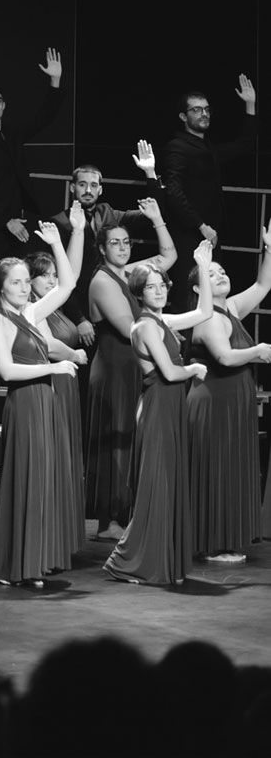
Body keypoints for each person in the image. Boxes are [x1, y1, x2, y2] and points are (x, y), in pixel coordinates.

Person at [103, 242, 215, 586]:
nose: (159, 291)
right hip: (157, 407)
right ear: (139, 293)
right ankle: (126, 563)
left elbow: (205, 313)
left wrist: (202, 264)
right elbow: (169, 372)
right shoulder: (146, 327)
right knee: (156, 485)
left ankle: (159, 560)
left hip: (169, 407)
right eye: (150, 286)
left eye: (162, 284)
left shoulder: (161, 320)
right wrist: (194, 368)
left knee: (167, 483)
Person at [0, 222, 80, 587]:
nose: (24, 288)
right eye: (17, 282)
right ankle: (14, 564)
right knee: (27, 480)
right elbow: (6, 370)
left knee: (44, 481)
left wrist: (56, 244)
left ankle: (33, 560)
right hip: (24, 405)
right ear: (1, 287)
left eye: (27, 281)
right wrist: (53, 366)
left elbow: (67, 286)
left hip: (45, 403)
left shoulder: (30, 314)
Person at [0, 48, 66, 386]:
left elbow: (44, 118)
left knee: (20, 295)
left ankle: (16, 358)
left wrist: (55, 81)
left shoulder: (11, 133)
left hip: (18, 225)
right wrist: (5, 219)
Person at [86, 210, 177, 540]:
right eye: (115, 243)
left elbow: (169, 256)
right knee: (117, 437)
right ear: (102, 248)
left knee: (132, 438)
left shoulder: (133, 274)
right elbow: (130, 327)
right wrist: (166, 329)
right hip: (114, 366)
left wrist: (157, 218)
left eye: (126, 242)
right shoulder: (102, 281)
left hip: (135, 364)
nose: (122, 248)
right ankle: (109, 520)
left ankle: (127, 513)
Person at [184, 221, 271, 562]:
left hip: (232, 401)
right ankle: (211, 542)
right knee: (215, 468)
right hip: (213, 402)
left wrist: (269, 248)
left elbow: (264, 284)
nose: (220, 275)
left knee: (228, 468)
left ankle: (222, 538)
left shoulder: (230, 309)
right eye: (212, 273)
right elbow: (224, 356)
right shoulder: (204, 318)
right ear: (198, 288)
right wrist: (259, 350)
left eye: (222, 271)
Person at [49, 145, 165, 346]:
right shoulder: (59, 222)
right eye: (82, 185)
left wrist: (150, 173)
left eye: (93, 186)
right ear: (72, 187)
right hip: (78, 304)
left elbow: (152, 212)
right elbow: (59, 276)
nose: (88, 190)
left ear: (100, 189)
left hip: (112, 298)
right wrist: (79, 319)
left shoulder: (109, 214)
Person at [161, 75, 258, 310]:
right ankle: (186, 345)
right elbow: (173, 191)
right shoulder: (178, 147)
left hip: (210, 234)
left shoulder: (207, 147)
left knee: (212, 294)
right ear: (184, 117)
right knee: (189, 293)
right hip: (190, 234)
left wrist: (250, 105)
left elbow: (245, 145)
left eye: (206, 109)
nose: (204, 114)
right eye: (196, 110)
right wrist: (200, 225)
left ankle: (210, 340)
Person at [25, 218, 90, 555]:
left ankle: (61, 536)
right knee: (55, 459)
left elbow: (71, 278)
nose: (52, 280)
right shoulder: (33, 309)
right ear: (28, 281)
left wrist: (72, 235)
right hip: (52, 382)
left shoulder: (56, 304)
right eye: (44, 275)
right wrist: (75, 353)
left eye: (53, 274)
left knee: (67, 460)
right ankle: (49, 536)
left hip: (66, 385)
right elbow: (49, 346)